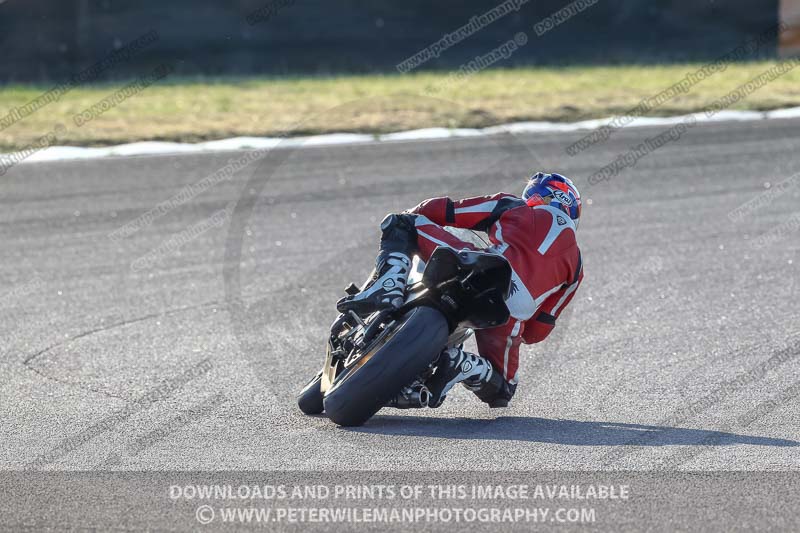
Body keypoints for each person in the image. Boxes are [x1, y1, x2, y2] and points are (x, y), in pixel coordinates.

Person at [337, 172, 583, 408]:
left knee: (401, 223)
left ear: (536, 194)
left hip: (482, 267)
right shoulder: (578, 266)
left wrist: (414, 215)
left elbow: (446, 211)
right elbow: (537, 333)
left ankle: (388, 285)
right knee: (503, 390)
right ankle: (463, 364)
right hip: (511, 311)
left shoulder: (513, 205)